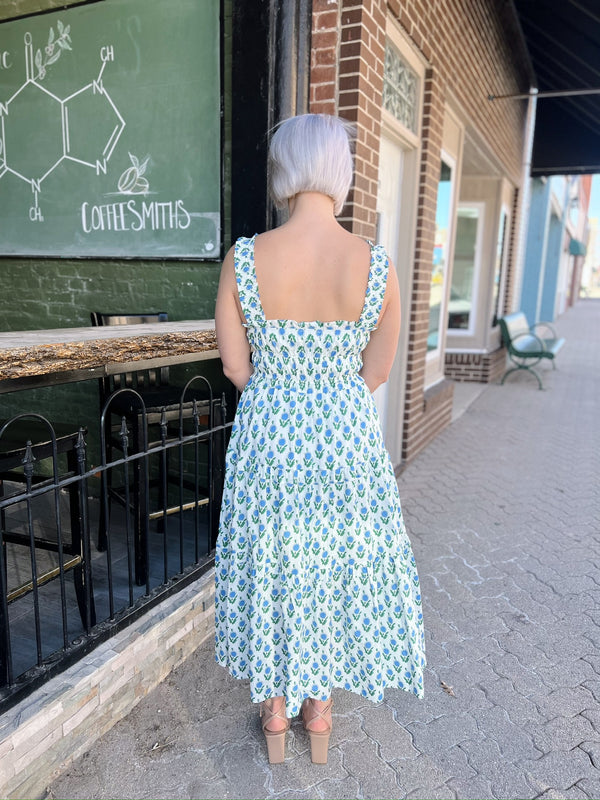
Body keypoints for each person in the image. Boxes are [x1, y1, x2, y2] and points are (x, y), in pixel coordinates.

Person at [214, 113, 426, 765]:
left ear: (283, 169)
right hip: (343, 441)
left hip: (269, 435)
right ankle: (320, 718)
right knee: (332, 570)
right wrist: (327, 395)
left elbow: (233, 366)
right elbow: (379, 370)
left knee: (273, 566)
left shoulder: (245, 258)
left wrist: (282, 393)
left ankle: (274, 719)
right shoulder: (375, 265)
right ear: (341, 172)